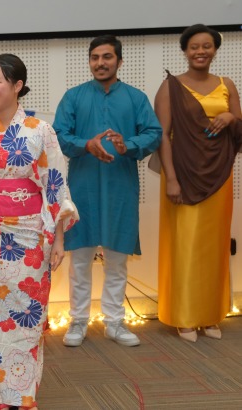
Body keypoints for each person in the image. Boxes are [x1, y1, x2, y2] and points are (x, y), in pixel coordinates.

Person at [0, 53, 78, 410]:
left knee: (28, 319)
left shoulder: (40, 131)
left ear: (17, 86)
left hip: (31, 238)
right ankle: (0, 398)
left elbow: (55, 188)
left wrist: (58, 239)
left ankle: (24, 396)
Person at [54, 35, 161, 348]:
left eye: (107, 57)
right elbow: (59, 135)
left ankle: (115, 322)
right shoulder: (73, 97)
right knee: (80, 260)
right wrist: (86, 144)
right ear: (89, 61)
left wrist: (128, 145)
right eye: (95, 57)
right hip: (83, 186)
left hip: (120, 186)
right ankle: (77, 322)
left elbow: (153, 133)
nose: (100, 63)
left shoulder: (135, 98)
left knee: (117, 259)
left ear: (119, 61)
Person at [154, 24, 242, 342]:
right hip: (183, 176)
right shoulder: (171, 86)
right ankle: (184, 316)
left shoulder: (226, 85)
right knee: (185, 246)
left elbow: (239, 126)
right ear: (185, 51)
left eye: (206, 46)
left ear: (215, 50)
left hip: (220, 176)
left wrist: (232, 118)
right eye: (194, 47)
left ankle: (210, 314)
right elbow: (161, 134)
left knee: (214, 247)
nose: (200, 51)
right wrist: (172, 180)